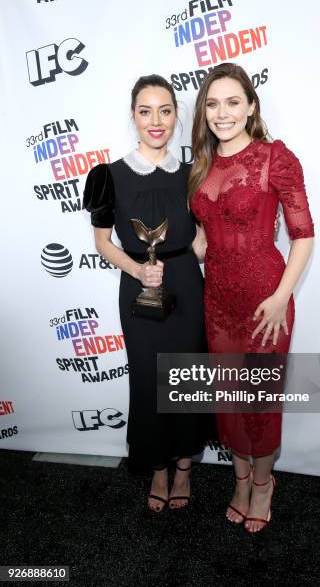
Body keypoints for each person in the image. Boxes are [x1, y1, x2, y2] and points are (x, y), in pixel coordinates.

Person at [189, 63, 314, 533]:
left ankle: (263, 485)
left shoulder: (274, 158)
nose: (223, 113)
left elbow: (303, 236)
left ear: (251, 106)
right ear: (204, 110)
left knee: (259, 402)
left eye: (233, 101)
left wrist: (283, 296)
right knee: (229, 398)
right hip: (217, 299)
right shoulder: (202, 164)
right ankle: (239, 480)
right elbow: (204, 241)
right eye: (213, 103)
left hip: (266, 301)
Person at [83, 75, 209, 512]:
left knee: (189, 377)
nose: (156, 121)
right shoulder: (108, 176)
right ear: (133, 116)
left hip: (188, 287)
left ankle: (185, 470)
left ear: (176, 116)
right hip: (138, 289)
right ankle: (157, 468)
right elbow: (102, 243)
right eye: (145, 111)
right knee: (149, 378)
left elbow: (199, 243)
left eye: (165, 110)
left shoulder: (193, 174)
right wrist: (138, 268)